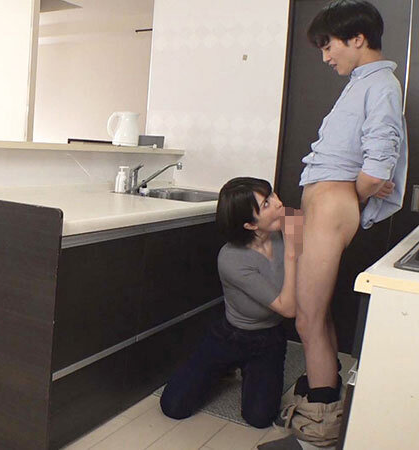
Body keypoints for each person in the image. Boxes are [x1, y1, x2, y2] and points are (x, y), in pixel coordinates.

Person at [294, 0, 407, 416]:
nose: (325, 57)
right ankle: (323, 390)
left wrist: (349, 198)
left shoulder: (381, 85)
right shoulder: (363, 83)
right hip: (324, 204)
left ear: (357, 38)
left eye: (329, 46)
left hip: (331, 206)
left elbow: (377, 169)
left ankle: (320, 419)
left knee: (307, 318)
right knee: (314, 312)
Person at [160, 177, 303, 428]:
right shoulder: (232, 259)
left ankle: (247, 370)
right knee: (173, 406)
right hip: (231, 336)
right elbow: (288, 308)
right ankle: (222, 369)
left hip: (269, 338)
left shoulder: (285, 228)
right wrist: (293, 251)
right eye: (267, 203)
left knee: (259, 418)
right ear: (250, 224)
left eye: (272, 195)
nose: (279, 203)